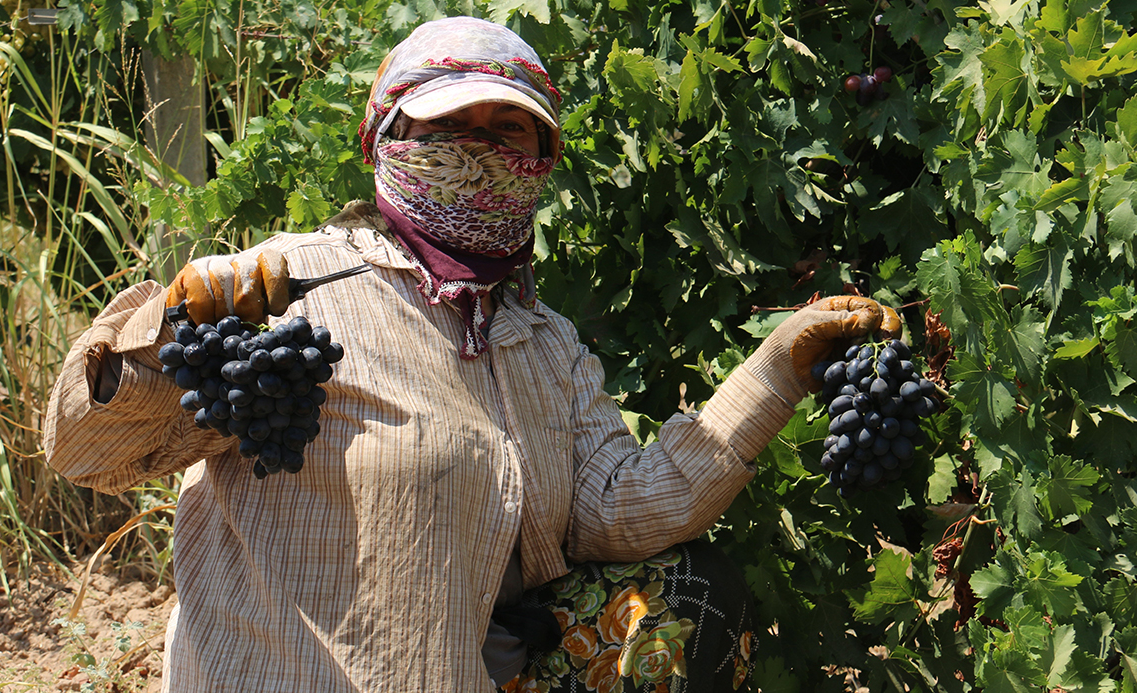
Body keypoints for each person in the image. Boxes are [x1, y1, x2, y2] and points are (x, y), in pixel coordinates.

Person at [43, 16, 900, 693]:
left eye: (509, 131)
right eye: (452, 125)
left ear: (542, 161)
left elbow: (620, 507)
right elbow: (86, 450)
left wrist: (779, 366)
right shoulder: (285, 287)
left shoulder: (541, 339)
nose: (482, 152)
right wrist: (156, 329)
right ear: (389, 137)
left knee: (689, 595)